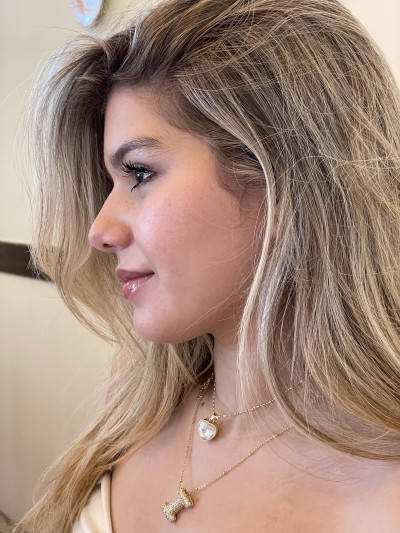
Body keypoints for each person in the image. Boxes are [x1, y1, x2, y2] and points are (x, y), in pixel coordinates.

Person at [16, 0, 400, 531]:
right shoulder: (138, 390)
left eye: (140, 173)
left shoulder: (382, 491)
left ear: (281, 183)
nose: (100, 230)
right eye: (110, 183)